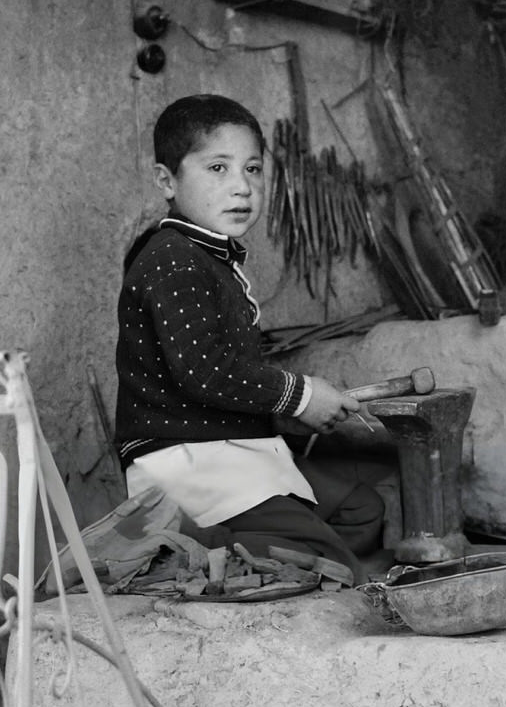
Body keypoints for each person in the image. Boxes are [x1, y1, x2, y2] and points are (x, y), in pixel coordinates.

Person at [114, 93, 384, 582]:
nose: (241, 187)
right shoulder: (171, 258)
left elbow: (228, 377)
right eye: (218, 168)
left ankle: (247, 547)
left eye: (253, 169)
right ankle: (193, 548)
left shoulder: (209, 256)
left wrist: (291, 412)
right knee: (330, 562)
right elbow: (205, 372)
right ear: (166, 181)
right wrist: (298, 396)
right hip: (188, 461)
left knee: (360, 510)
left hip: (233, 449)